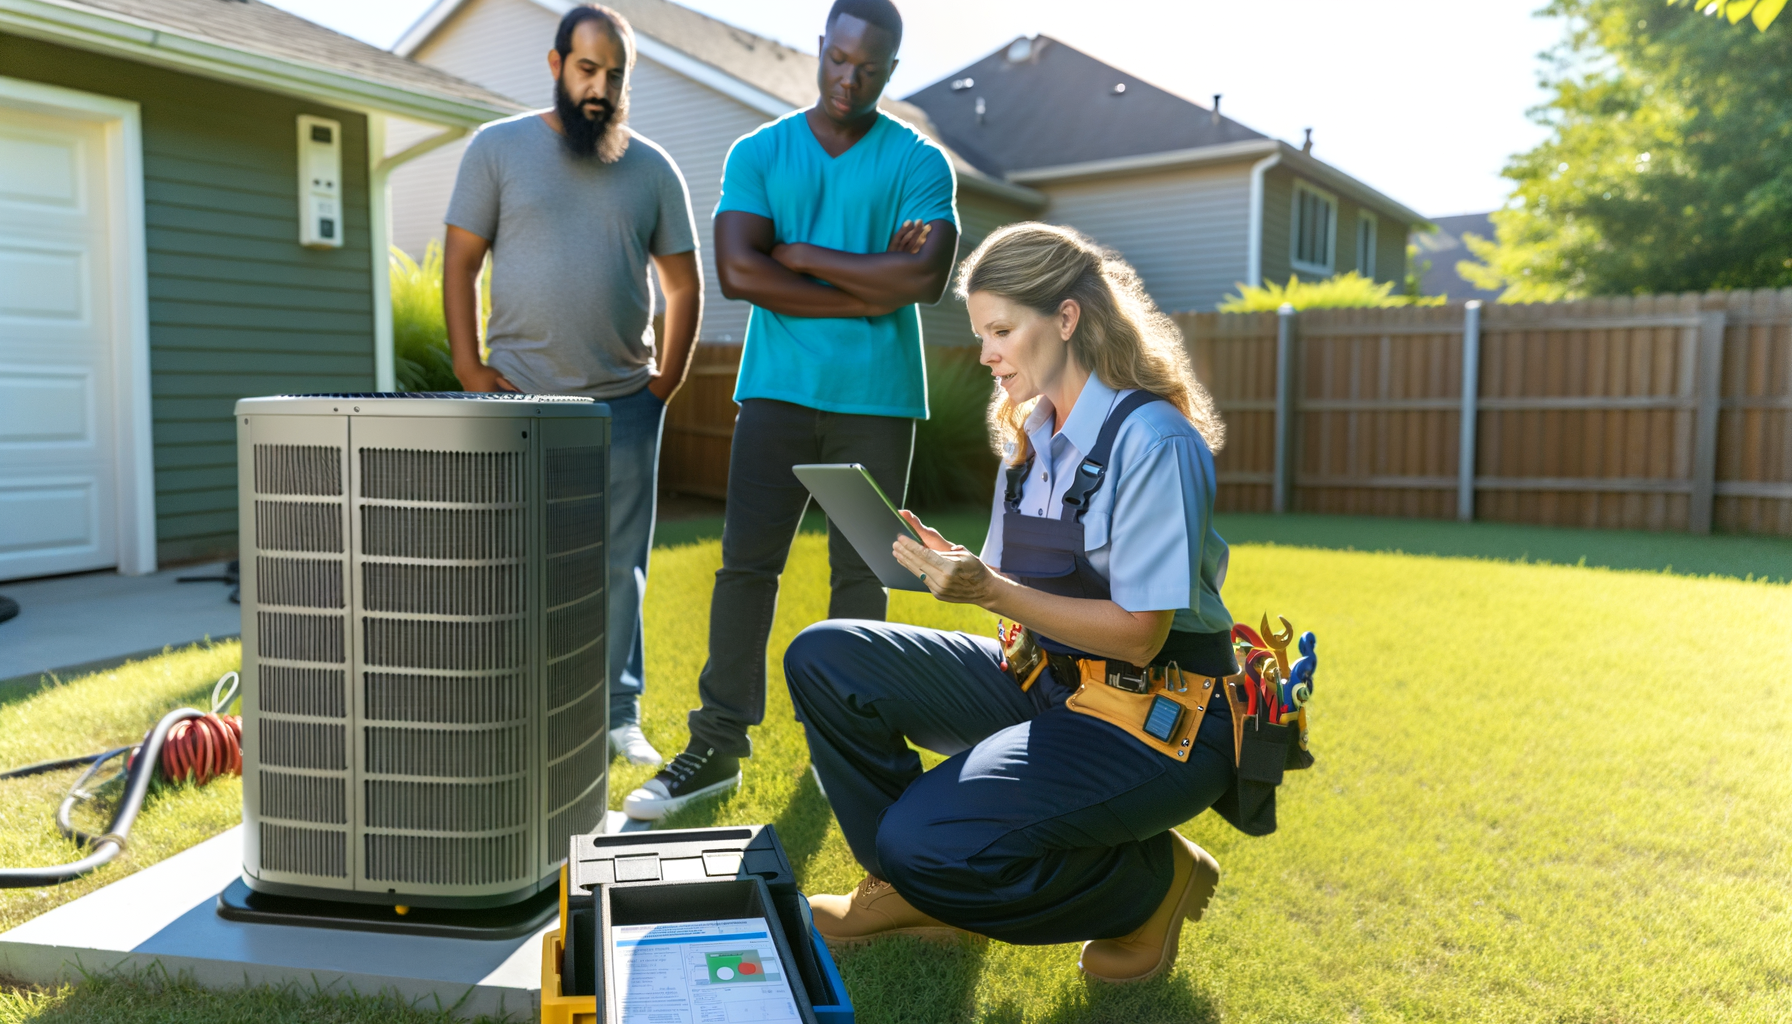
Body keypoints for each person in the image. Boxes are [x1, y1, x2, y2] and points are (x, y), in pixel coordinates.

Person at [784, 222, 1249, 983]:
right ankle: (915, 891)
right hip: (1050, 680)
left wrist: (990, 587)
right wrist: (949, 563)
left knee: (921, 837)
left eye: (1002, 329)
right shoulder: (1030, 432)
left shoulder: (1155, 442)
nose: (987, 353)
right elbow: (1019, 587)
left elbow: (1138, 636)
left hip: (1162, 715)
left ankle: (1151, 885)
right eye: (981, 333)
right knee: (826, 655)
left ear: (1066, 319)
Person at [623, 0, 959, 820]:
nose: (849, 79)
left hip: (876, 403)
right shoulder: (761, 152)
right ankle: (717, 746)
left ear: (890, 69)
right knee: (746, 569)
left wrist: (800, 255)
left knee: (863, 578)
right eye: (838, 60)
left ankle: (850, 742)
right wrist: (865, 283)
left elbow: (924, 281)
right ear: (821, 48)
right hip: (775, 393)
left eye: (868, 68)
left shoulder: (921, 163)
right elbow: (738, 273)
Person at [444, 3, 701, 768]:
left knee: (620, 564)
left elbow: (684, 288)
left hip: (625, 400)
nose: (600, 87)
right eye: (587, 69)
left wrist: (666, 383)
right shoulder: (497, 149)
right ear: (556, 66)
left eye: (614, 75)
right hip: (518, 397)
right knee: (508, 557)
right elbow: (460, 263)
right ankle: (512, 704)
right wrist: (467, 366)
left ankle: (618, 714)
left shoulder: (652, 167)